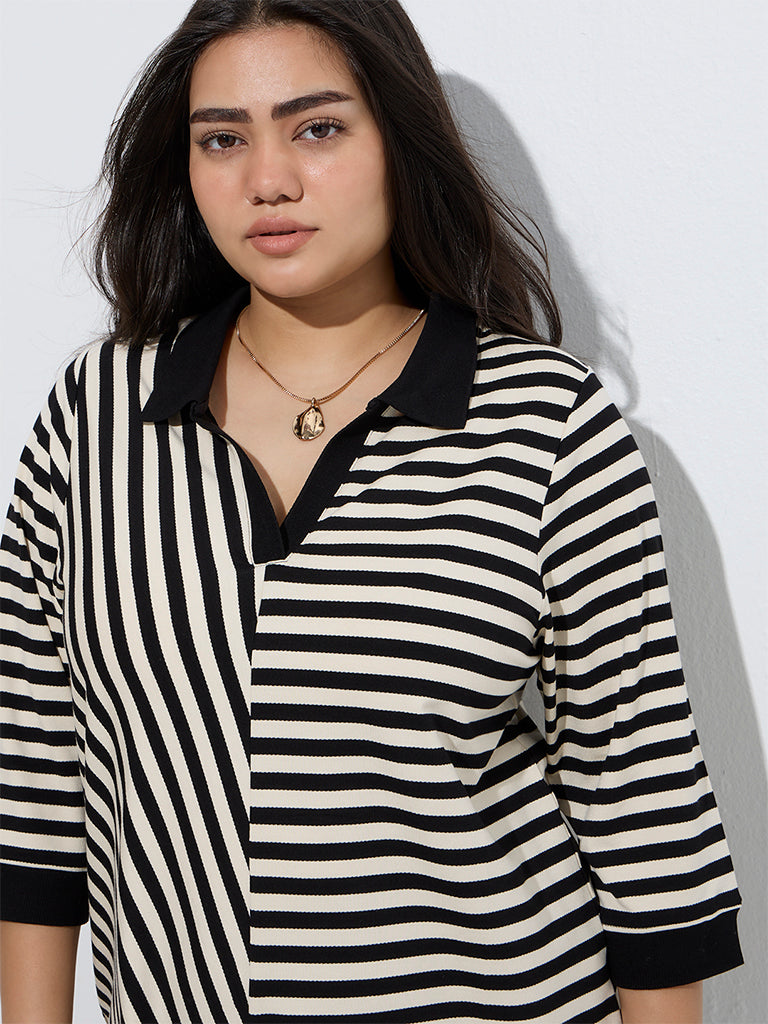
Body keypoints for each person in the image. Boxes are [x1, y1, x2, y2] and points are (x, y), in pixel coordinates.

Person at [0, 1, 743, 1021]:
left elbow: (643, 815)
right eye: (223, 139)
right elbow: (37, 789)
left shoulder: (547, 428)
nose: (268, 180)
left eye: (316, 128)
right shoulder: (97, 416)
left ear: (399, 137)